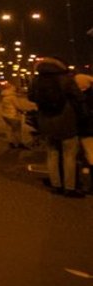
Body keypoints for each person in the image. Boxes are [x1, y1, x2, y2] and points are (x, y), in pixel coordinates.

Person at [28, 58, 85, 197]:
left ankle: (56, 185)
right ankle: (70, 187)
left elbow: (31, 97)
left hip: (46, 120)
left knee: (52, 153)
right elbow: (78, 97)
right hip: (66, 119)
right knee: (69, 154)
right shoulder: (65, 78)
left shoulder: (36, 80)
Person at [0, 81, 27, 149]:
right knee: (17, 130)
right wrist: (23, 111)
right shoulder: (12, 97)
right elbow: (18, 107)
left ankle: (11, 143)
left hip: (5, 115)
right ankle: (19, 143)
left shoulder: (4, 96)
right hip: (13, 115)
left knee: (9, 129)